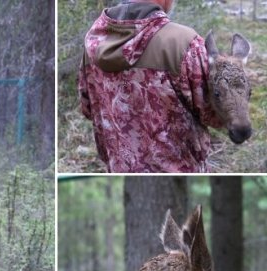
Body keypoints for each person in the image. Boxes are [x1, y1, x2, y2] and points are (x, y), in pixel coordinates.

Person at [78, 0, 223, 172]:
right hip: (180, 167)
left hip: (120, 166)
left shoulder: (94, 41)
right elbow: (212, 114)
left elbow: (87, 108)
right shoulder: (184, 42)